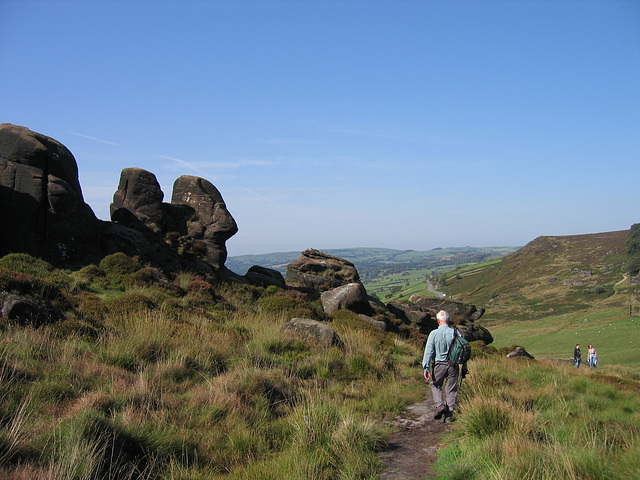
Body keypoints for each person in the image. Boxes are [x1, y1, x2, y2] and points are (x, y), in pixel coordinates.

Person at [422, 310, 459, 422]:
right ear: (448, 320)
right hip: (453, 365)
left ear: (438, 321)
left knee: (435, 384)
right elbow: (462, 348)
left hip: (439, 365)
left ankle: (440, 406)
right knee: (451, 389)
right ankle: (449, 414)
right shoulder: (456, 333)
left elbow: (428, 352)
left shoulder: (433, 334)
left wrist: (426, 367)